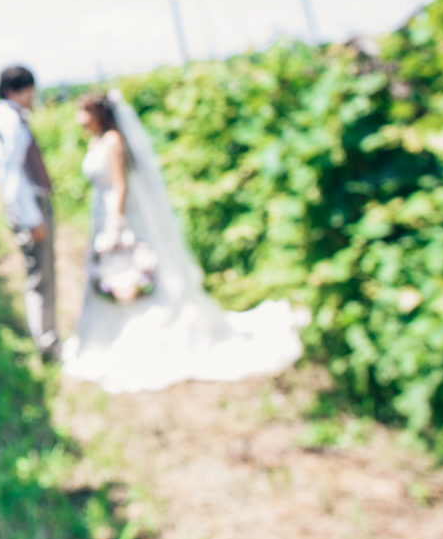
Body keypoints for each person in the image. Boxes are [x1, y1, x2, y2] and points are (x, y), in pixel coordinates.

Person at [63, 89, 303, 392]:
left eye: (83, 111)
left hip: (119, 216)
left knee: (132, 270)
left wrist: (116, 224)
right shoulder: (98, 140)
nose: (78, 118)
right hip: (101, 214)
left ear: (98, 113)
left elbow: (120, 186)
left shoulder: (113, 142)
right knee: (113, 274)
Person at [0, 65, 59, 359]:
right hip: (30, 206)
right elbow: (12, 174)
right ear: (15, 91)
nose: (33, 97)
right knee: (41, 277)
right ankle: (47, 343)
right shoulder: (9, 121)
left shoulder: (4, 118)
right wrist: (32, 218)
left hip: (26, 205)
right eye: (29, 90)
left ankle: (44, 338)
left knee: (38, 275)